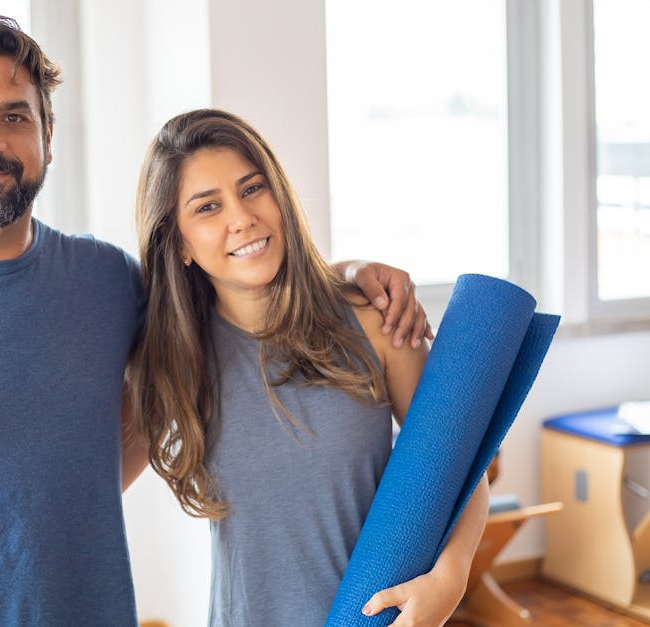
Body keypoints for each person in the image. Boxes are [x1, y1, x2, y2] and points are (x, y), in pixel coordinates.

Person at [0, 15, 430, 626]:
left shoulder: (108, 283)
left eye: (14, 115)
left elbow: (227, 294)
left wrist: (344, 274)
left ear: (46, 135)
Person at [128, 108, 490, 627]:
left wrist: (449, 580)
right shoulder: (173, 359)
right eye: (207, 206)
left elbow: (464, 470)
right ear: (179, 242)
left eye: (252, 189)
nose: (241, 217)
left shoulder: (373, 320)